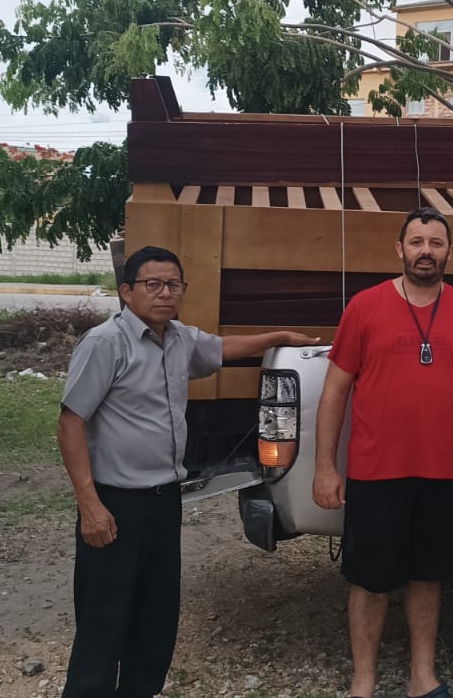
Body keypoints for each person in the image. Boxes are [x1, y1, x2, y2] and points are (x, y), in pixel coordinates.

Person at [58, 245, 317, 698]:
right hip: (116, 504)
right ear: (127, 292)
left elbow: (223, 348)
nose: (164, 293)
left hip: (165, 501)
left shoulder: (178, 339)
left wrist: (278, 337)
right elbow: (70, 422)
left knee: (155, 619)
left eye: (173, 284)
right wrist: (89, 505)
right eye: (153, 284)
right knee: (104, 621)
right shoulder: (105, 343)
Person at [312, 207, 453, 698]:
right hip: (376, 471)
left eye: (435, 243)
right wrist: (325, 466)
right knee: (369, 581)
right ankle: (363, 681)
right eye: (416, 242)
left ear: (450, 252)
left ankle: (422, 678)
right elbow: (334, 392)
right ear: (400, 249)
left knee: (428, 577)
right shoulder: (364, 306)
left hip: (444, 471)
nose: (426, 252)